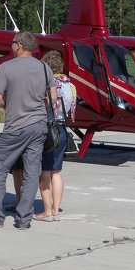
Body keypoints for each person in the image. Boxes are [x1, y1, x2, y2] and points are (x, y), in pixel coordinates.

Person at [0, 31, 49, 229]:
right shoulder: (44, 67)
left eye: (13, 42)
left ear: (19, 45)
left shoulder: (6, 67)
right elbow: (53, 99)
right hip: (39, 125)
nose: (11, 45)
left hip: (16, 126)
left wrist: (10, 104)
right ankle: (24, 219)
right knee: (32, 172)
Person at [34, 50, 75, 221]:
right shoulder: (70, 85)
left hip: (47, 130)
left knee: (44, 173)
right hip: (62, 130)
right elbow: (72, 113)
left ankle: (47, 211)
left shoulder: (48, 85)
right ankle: (56, 211)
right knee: (57, 173)